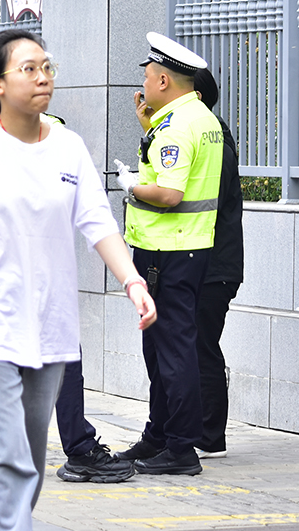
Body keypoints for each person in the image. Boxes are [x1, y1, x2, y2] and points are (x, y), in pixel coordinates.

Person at [0, 29, 157, 531]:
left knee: (30, 464)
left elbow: (97, 223)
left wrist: (132, 281)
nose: (43, 77)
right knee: (4, 460)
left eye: (47, 67)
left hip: (50, 327)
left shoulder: (68, 147)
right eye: (29, 69)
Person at [113, 32, 223, 476]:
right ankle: (160, 435)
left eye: (148, 74)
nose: (144, 81)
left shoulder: (176, 127)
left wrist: (129, 185)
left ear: (163, 80)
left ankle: (180, 448)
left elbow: (170, 193)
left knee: (172, 352)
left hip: (168, 250)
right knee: (164, 349)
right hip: (187, 249)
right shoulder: (200, 118)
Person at [190, 67, 244, 460]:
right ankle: (201, 429)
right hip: (206, 263)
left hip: (213, 267)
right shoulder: (210, 133)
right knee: (195, 346)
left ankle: (210, 436)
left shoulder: (213, 140)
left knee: (202, 346)